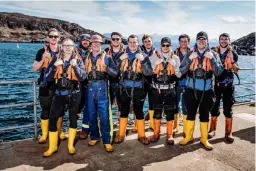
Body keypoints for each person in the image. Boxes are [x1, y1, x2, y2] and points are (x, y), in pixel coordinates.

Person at [178, 31, 223, 150]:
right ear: (196, 41)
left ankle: (204, 138)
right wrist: (189, 60)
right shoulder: (189, 54)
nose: (201, 41)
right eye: (199, 39)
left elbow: (218, 72)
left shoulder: (213, 54)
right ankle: (189, 136)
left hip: (207, 90)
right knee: (190, 113)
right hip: (191, 89)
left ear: (207, 41)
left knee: (204, 114)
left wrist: (212, 59)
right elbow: (180, 71)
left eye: (203, 39)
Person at [43, 38, 86, 157]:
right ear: (61, 47)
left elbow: (82, 77)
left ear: (73, 47)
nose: (67, 47)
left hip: (74, 94)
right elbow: (47, 77)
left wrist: (76, 66)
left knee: (73, 118)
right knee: (52, 119)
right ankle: (52, 147)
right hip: (58, 94)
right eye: (65, 45)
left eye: (70, 45)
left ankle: (70, 145)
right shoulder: (55, 59)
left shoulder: (78, 60)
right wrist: (54, 67)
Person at [114, 34, 153, 145]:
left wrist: (144, 61)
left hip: (138, 88)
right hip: (124, 87)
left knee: (139, 111)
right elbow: (114, 71)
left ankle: (142, 135)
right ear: (128, 43)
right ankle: (121, 134)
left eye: (134, 42)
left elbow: (148, 72)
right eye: (130, 42)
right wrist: (118, 60)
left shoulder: (144, 56)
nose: (132, 44)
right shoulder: (121, 55)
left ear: (138, 43)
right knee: (124, 110)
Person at [32, 28, 66, 144]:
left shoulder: (63, 51)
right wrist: (43, 59)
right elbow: (35, 68)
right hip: (45, 84)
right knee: (45, 109)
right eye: (51, 36)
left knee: (60, 109)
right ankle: (44, 134)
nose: (53, 38)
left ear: (59, 38)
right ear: (47, 37)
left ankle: (60, 132)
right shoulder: (41, 51)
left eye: (55, 36)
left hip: (59, 83)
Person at [85, 35, 118, 152]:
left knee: (104, 116)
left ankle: (107, 140)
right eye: (94, 43)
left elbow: (115, 73)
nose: (96, 44)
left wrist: (106, 69)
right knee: (91, 115)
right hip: (89, 88)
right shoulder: (86, 57)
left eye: (98, 43)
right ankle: (94, 136)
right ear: (90, 44)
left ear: (101, 44)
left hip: (102, 88)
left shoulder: (107, 58)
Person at [149, 37, 181, 145]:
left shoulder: (176, 58)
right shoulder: (153, 56)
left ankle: (169, 135)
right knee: (157, 112)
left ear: (170, 46)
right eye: (163, 45)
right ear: (160, 46)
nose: (165, 47)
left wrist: (175, 67)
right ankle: (156, 133)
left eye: (168, 45)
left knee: (170, 112)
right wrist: (154, 64)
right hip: (157, 89)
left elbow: (179, 75)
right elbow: (147, 71)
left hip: (170, 89)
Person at [209, 33, 239, 142]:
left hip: (228, 85)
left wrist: (233, 61)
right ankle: (212, 130)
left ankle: (228, 132)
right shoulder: (213, 51)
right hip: (216, 85)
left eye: (226, 39)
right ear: (219, 40)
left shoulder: (233, 53)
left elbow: (236, 69)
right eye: (222, 39)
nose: (224, 41)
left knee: (228, 108)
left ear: (229, 41)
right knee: (214, 107)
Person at [104, 32, 125, 121]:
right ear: (111, 40)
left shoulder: (125, 52)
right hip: (108, 82)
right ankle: (109, 125)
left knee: (122, 105)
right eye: (113, 39)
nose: (115, 41)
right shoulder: (105, 52)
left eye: (117, 39)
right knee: (108, 104)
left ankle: (121, 128)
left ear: (121, 40)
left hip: (121, 81)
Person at [174, 34, 190, 137]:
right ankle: (175, 127)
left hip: (189, 84)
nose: (184, 43)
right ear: (179, 42)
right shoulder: (174, 53)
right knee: (176, 105)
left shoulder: (192, 53)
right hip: (176, 83)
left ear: (188, 42)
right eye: (182, 41)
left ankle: (186, 127)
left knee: (186, 106)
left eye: (185, 41)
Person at [141, 34, 157, 131]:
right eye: (145, 41)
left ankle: (152, 124)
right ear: (143, 43)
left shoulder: (157, 53)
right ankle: (138, 124)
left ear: (152, 42)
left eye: (149, 41)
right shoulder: (139, 52)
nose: (147, 43)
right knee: (139, 103)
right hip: (142, 80)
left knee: (152, 103)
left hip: (152, 81)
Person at [77, 34, 91, 140]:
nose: (85, 42)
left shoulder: (93, 52)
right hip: (77, 84)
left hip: (89, 83)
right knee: (75, 107)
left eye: (87, 40)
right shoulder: (74, 51)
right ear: (80, 41)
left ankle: (85, 130)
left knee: (88, 107)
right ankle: (71, 129)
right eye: (83, 40)